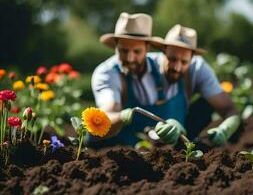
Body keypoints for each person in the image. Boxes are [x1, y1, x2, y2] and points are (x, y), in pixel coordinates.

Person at [89, 12, 239, 148]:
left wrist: (224, 131)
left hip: (171, 147)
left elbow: (229, 109)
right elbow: (106, 115)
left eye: (136, 51)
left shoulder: (191, 69)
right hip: (125, 148)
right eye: (123, 51)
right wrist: (123, 116)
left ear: (148, 48)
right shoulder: (107, 72)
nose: (130, 58)